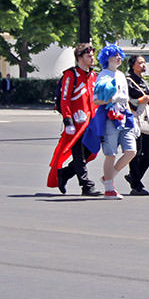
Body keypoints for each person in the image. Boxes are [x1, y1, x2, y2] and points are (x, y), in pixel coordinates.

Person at [83, 44, 138, 199]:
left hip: (123, 116)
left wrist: (132, 118)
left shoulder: (121, 75)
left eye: (119, 55)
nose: (118, 58)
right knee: (111, 153)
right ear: (107, 58)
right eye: (114, 55)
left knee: (131, 151)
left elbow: (126, 99)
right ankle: (109, 188)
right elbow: (96, 100)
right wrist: (110, 99)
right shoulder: (103, 76)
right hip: (109, 118)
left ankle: (108, 177)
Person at [47, 43, 102, 196]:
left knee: (91, 153)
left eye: (92, 55)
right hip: (76, 123)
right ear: (79, 58)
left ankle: (64, 174)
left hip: (91, 124)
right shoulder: (71, 75)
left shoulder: (93, 76)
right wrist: (68, 120)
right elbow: (64, 99)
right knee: (79, 155)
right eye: (88, 56)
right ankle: (86, 185)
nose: (92, 58)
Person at [125, 55, 149, 195]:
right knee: (136, 152)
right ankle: (136, 184)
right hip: (135, 119)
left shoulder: (144, 81)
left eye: (144, 62)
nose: (144, 65)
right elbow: (126, 100)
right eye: (140, 62)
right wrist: (140, 100)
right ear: (133, 65)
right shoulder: (128, 81)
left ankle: (134, 176)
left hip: (147, 119)